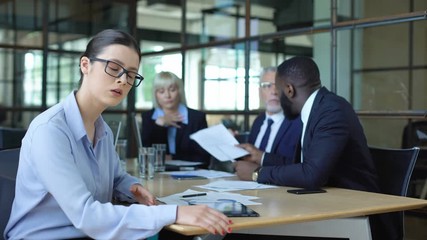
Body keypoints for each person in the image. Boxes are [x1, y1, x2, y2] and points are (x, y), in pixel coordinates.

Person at [4, 29, 231, 239]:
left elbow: (116, 178)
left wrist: (132, 188)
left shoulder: (102, 129)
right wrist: (175, 213)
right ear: (85, 65)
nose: (123, 80)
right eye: (114, 68)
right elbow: (87, 215)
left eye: (131, 75)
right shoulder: (50, 130)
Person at [235, 56, 392, 240]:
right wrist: (262, 159)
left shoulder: (331, 111)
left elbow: (312, 174)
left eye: (277, 90)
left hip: (354, 213)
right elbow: (301, 164)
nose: (276, 95)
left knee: (245, 230)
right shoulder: (317, 108)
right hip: (323, 202)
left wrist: (258, 174)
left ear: (289, 90)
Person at [141, 71, 210, 167]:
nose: (167, 95)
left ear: (180, 91)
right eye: (161, 91)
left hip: (192, 174)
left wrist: (173, 158)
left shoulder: (196, 118)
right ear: (155, 94)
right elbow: (146, 153)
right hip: (158, 173)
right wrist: (159, 125)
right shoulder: (148, 117)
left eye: (172, 90)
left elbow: (204, 157)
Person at [247, 67, 301, 162]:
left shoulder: (298, 123)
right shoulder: (258, 121)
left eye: (279, 86)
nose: (274, 92)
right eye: (267, 86)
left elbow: (297, 165)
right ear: (259, 92)